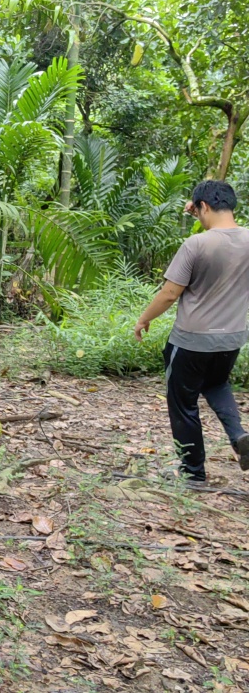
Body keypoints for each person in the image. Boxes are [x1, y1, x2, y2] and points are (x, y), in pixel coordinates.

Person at [134, 179, 249, 485]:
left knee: (183, 404)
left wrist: (144, 319)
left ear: (204, 207)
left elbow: (170, 293)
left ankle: (193, 473)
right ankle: (238, 435)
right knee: (216, 384)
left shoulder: (196, 244)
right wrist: (197, 210)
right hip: (232, 337)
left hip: (191, 340)